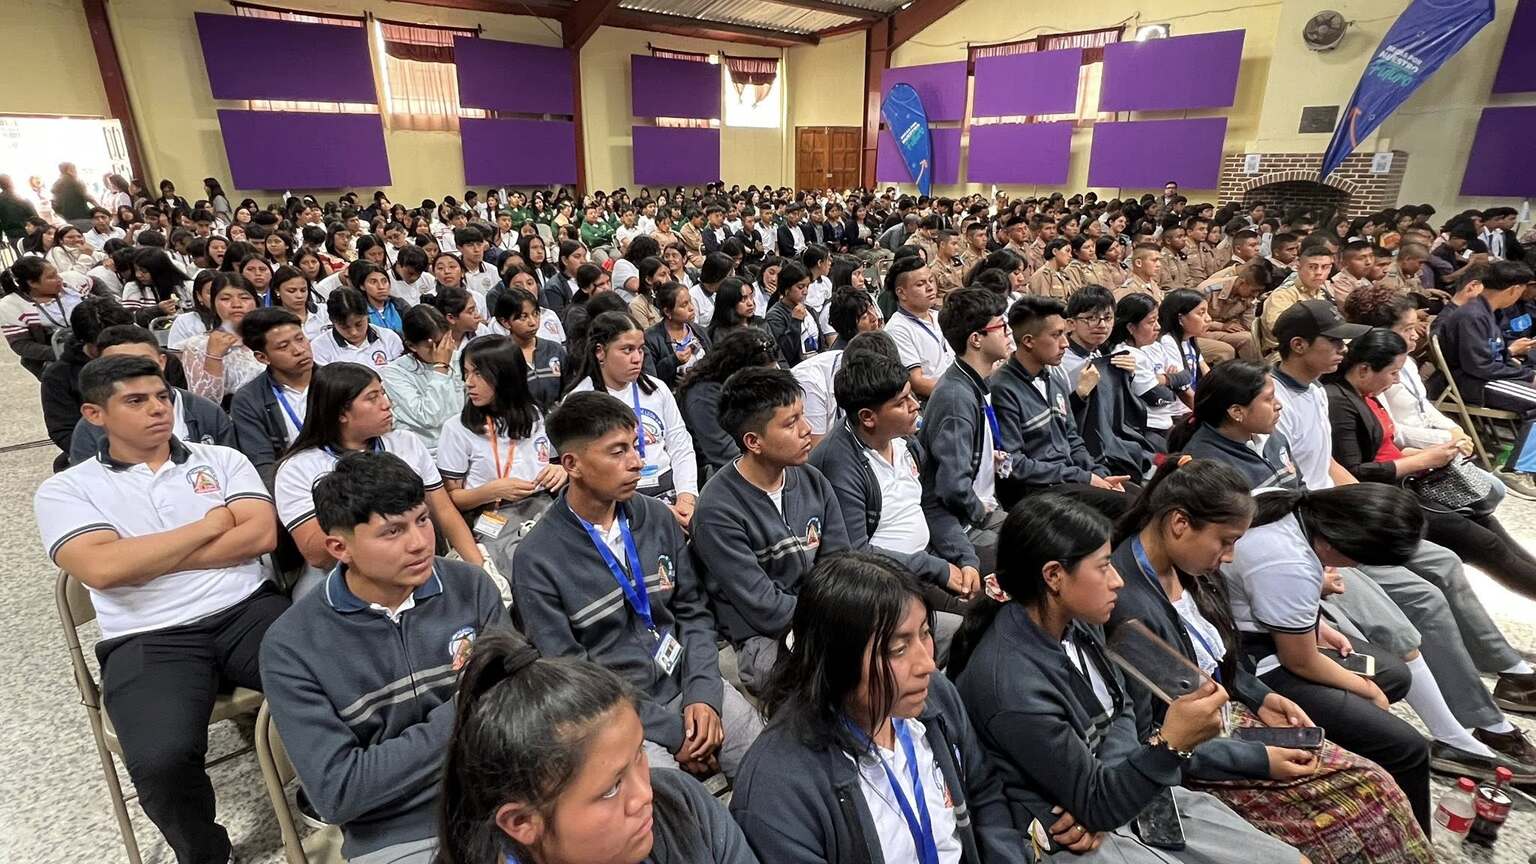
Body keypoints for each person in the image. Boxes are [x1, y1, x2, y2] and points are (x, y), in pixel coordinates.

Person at [948, 494, 1303, 864]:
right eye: (1104, 567)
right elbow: (1101, 795)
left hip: (1122, 791)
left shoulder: (1081, 621)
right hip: (1066, 837)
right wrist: (1166, 748)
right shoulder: (1011, 686)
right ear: (1053, 576)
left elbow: (1123, 710)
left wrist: (1105, 795)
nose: (1117, 580)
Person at [1109, 458, 1434, 860]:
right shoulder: (1129, 607)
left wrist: (1261, 697)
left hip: (1226, 716)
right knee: (1367, 798)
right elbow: (1155, 736)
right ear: (1179, 524)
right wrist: (1259, 758)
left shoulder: (1187, 567)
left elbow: (1215, 657)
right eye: (1225, 541)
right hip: (1199, 749)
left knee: (1375, 783)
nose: (1231, 556)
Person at [34, 354, 285, 864]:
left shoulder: (221, 460)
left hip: (246, 609)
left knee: (341, 678)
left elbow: (260, 535)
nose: (158, 409)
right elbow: (102, 570)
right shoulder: (67, 489)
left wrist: (142, 559)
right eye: (136, 400)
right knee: (160, 760)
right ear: (94, 414)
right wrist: (209, 527)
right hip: (148, 635)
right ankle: (207, 854)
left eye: (162, 397)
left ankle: (334, 801)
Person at [1271, 300, 1536, 772]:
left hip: (1340, 515)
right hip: (1317, 531)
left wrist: (1364, 505)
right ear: (1298, 345)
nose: (1343, 350)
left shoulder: (1313, 392)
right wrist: (1344, 526)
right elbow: (1283, 486)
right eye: (1333, 342)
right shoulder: (1275, 401)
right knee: (1420, 602)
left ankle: (1502, 681)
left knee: (1447, 559)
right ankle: (1467, 728)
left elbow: (1326, 462)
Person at [261, 452, 509, 864]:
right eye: (392, 531)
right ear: (340, 547)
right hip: (397, 831)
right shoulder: (292, 645)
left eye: (422, 520)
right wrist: (466, 707)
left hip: (503, 798)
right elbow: (339, 792)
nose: (420, 542)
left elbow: (513, 709)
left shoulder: (471, 587)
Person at [514, 391, 764, 780]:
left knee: (769, 763)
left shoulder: (657, 518)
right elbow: (573, 675)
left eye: (634, 446)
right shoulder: (536, 559)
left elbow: (693, 612)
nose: (637, 462)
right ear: (572, 464)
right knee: (667, 802)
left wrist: (703, 694)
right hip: (617, 715)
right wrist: (671, 733)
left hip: (689, 684)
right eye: (618, 452)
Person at [731, 552, 1031, 864]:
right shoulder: (777, 792)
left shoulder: (934, 696)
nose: (927, 664)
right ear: (836, 663)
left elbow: (984, 793)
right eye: (898, 649)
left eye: (925, 633)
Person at [436, 633, 759, 864]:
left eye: (639, 754)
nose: (645, 794)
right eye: (611, 789)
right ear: (522, 822)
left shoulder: (682, 801)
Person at [1323, 327, 1536, 597]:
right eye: (1392, 373)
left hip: (1405, 481)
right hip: (1387, 496)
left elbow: (1385, 449)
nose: (1396, 381)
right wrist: (1424, 458)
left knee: (1487, 523)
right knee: (1484, 543)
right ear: (1364, 370)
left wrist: (1432, 453)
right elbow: (1356, 472)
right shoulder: (1340, 402)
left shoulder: (1366, 396)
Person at [692, 367, 850, 694]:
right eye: (791, 423)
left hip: (825, 615)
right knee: (838, 675)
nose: (807, 430)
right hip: (762, 638)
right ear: (754, 441)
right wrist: (834, 618)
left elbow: (840, 563)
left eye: (802, 416)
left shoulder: (813, 481)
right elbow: (764, 607)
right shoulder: (716, 510)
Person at [810, 351, 979, 654]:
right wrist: (937, 568)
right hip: (884, 585)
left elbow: (931, 506)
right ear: (868, 417)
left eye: (911, 395)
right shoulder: (839, 463)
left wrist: (964, 558)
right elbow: (855, 553)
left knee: (1000, 594)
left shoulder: (906, 442)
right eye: (901, 403)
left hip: (926, 562)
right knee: (974, 628)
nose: (915, 405)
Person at [276, 362, 484, 597]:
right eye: (372, 398)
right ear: (341, 413)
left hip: (415, 563)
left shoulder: (406, 443)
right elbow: (318, 555)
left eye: (383, 393)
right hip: (342, 577)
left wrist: (479, 567)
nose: (387, 404)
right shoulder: (298, 468)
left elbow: (444, 511)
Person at [992, 294, 1130, 515]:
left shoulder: (1054, 377)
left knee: (1139, 496)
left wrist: (1098, 472)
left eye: (1064, 334)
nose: (1065, 343)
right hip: (1038, 492)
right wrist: (1084, 477)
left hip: (1069, 478)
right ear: (1028, 341)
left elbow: (1072, 438)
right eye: (1056, 335)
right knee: (1127, 508)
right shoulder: (1002, 388)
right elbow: (1013, 463)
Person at [438, 334, 565, 573]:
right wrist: (493, 490)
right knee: (522, 565)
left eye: (478, 374)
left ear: (506, 375)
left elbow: (551, 462)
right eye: (466, 373)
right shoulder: (457, 429)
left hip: (542, 505)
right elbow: (451, 499)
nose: (468, 382)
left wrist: (559, 471)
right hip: (490, 513)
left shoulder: (534, 415)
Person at [568, 311, 699, 527]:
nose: (637, 358)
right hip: (618, 500)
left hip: (669, 486)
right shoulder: (580, 401)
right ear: (600, 352)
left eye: (640, 349)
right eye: (627, 350)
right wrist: (656, 511)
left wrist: (686, 496)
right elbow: (589, 473)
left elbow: (680, 445)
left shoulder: (657, 389)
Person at [1431, 259, 1536, 496]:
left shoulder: (1486, 312)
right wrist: (1528, 375)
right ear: (1514, 289)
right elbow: (1479, 366)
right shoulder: (1472, 315)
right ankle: (1517, 470)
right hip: (1471, 383)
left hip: (1484, 377)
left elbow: (1494, 355)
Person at [69, 323, 234, 464]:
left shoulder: (206, 411)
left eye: (143, 360)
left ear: (162, 361)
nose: (133, 369)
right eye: (118, 363)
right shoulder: (91, 426)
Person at [1063, 286, 1156, 480]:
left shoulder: (1101, 354)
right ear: (1071, 323)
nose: (1102, 325)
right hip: (1080, 452)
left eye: (1108, 318)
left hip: (1110, 441)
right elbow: (1058, 420)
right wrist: (1080, 394)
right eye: (1091, 318)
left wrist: (1128, 376)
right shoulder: (1060, 360)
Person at [230, 308, 314, 489]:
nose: (299, 350)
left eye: (300, 339)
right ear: (262, 357)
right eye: (284, 346)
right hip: (292, 485)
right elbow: (262, 464)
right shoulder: (248, 400)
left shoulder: (338, 380)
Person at [178, 270, 264, 403]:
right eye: (225, 299)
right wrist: (214, 357)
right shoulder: (197, 346)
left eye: (244, 298)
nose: (236, 304)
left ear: (256, 303)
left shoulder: (269, 337)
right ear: (213, 304)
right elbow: (203, 403)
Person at [0, 256, 86, 378]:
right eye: (51, 277)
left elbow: (101, 293)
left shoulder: (71, 283)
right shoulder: (12, 305)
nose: (59, 279)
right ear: (32, 283)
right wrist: (62, 352)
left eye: (56, 273)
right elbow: (22, 345)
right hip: (55, 357)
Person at [883, 256, 954, 400]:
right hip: (934, 400)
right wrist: (959, 391)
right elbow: (917, 382)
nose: (930, 288)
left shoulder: (939, 316)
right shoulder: (898, 328)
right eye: (920, 284)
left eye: (931, 280)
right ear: (901, 293)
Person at [490, 285, 566, 412]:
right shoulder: (498, 358)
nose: (533, 322)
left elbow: (569, 388)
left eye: (535, 314)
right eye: (523, 317)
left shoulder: (554, 349)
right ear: (505, 322)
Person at [311, 286, 406, 368]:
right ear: (332, 321)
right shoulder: (319, 348)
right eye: (345, 327)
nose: (354, 332)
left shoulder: (389, 338)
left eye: (359, 324)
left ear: (367, 315)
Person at [644, 281, 709, 388]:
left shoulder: (699, 331)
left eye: (690, 301)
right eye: (684, 305)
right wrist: (674, 360)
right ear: (667, 312)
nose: (691, 308)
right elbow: (651, 377)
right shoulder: (651, 339)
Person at [765, 260, 819, 366]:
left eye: (807, 286)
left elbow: (821, 345)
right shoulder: (775, 316)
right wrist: (795, 321)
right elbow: (785, 354)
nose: (805, 292)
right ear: (786, 288)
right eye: (800, 287)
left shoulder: (810, 310)